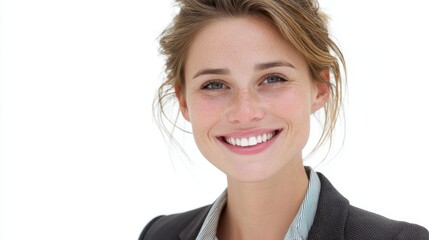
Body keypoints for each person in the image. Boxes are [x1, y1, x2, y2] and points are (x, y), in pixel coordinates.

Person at [139, 0, 429, 239]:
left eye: (273, 79)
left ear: (319, 88)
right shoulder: (158, 235)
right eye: (214, 84)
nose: (245, 111)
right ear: (184, 101)